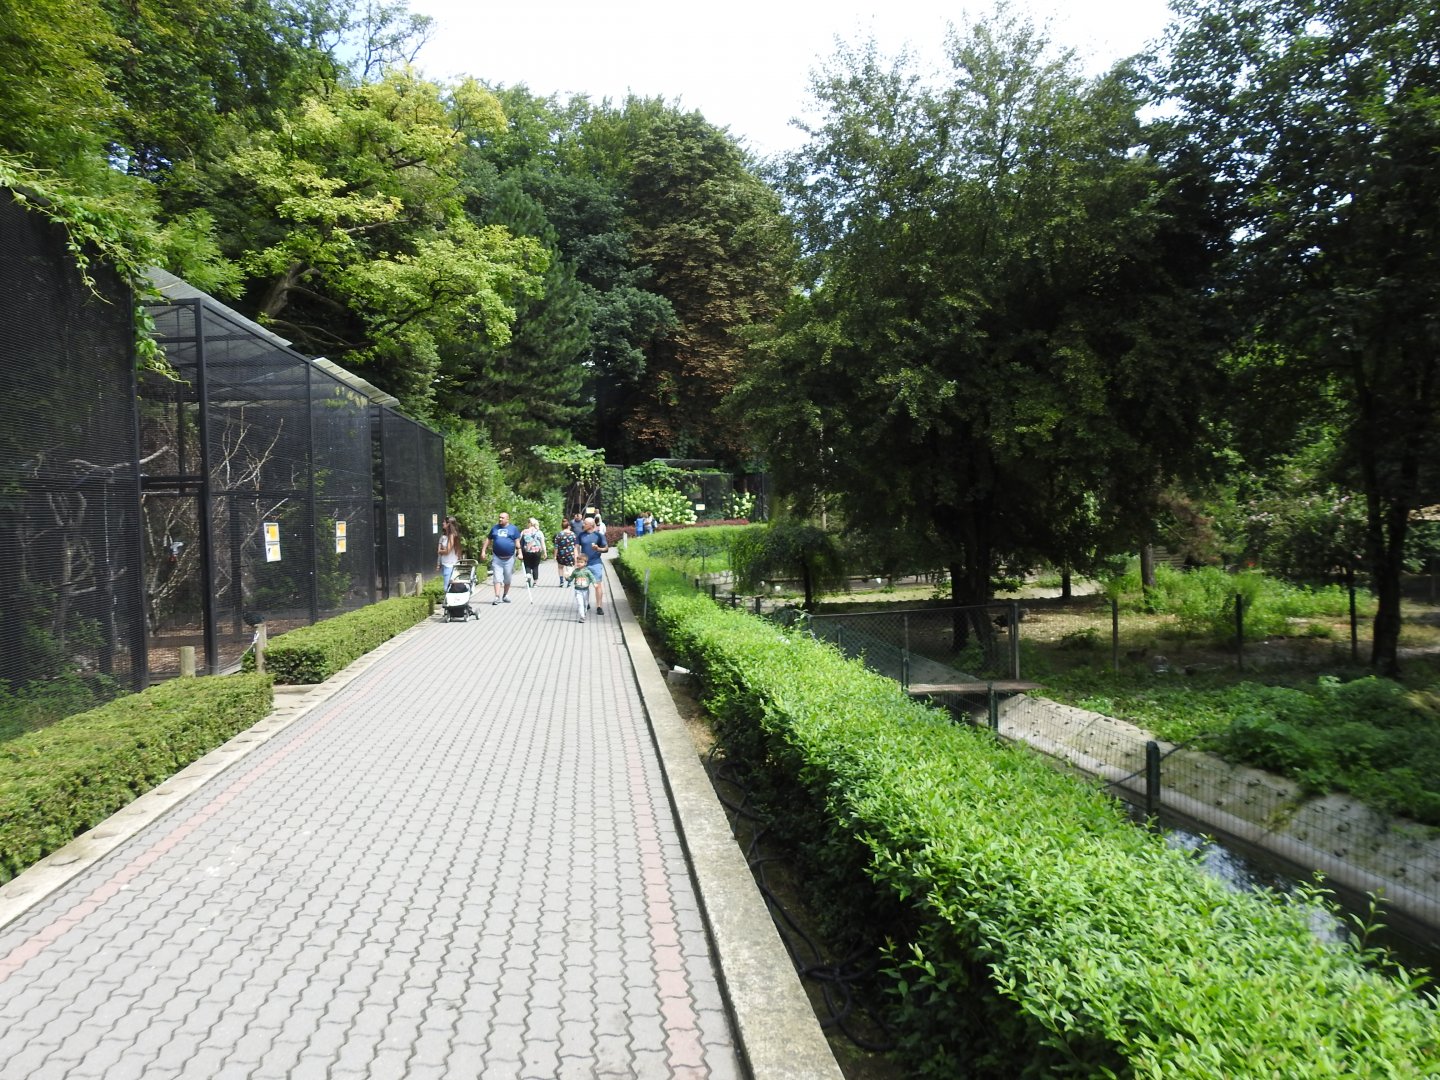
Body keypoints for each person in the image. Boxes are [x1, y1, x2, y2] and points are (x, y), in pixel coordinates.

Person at [480, 511, 522, 604]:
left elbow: (517, 542)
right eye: (499, 517)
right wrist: (483, 551)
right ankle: (497, 596)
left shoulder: (513, 529)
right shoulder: (495, 528)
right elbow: (488, 539)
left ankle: (505, 595)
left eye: (502, 518)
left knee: (507, 578)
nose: (500, 519)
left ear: (507, 519)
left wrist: (520, 553)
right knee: (497, 578)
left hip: (509, 557)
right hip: (497, 557)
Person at [576, 515, 609, 615]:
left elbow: (606, 549)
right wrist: (577, 560)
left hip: (595, 563)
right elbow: (576, 547)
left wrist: (598, 549)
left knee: (597, 585)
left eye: (585, 523)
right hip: (584, 565)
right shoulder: (580, 535)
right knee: (583, 585)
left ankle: (599, 606)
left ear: (591, 525)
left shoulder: (599, 535)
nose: (583, 524)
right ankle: (587, 603)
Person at [520, 517, 547, 586]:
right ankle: (535, 583)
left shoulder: (524, 531)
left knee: (527, 565)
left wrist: (519, 551)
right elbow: (542, 543)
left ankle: (528, 577)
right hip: (537, 551)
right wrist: (545, 552)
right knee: (535, 566)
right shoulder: (539, 532)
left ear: (530, 523)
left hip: (527, 551)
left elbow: (520, 542)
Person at [436, 516, 461, 590]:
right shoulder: (445, 536)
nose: (442, 523)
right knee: (450, 587)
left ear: (448, 524)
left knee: (446, 588)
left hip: (450, 565)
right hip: (445, 563)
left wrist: (440, 551)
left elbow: (447, 551)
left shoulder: (452, 535)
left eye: (444, 522)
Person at [553, 519, 578, 586]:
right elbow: (575, 546)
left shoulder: (558, 534)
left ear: (561, 526)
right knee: (569, 567)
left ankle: (561, 581)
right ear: (568, 526)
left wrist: (555, 555)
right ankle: (569, 581)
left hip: (561, 554)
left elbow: (556, 546)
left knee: (560, 567)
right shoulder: (573, 534)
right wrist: (576, 555)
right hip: (570, 554)